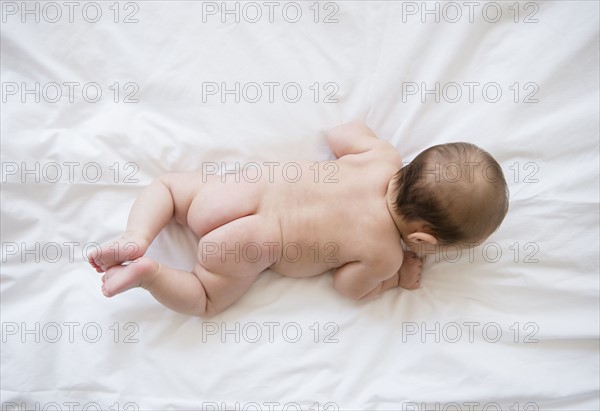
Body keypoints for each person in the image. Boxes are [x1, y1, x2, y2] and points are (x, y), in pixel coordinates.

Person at [88, 121, 509, 317]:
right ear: (424, 239)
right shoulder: (385, 257)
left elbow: (340, 133)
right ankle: (149, 273)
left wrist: (372, 139)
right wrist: (398, 278)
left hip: (236, 196)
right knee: (204, 297)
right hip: (252, 245)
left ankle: (137, 237)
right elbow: (350, 288)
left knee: (168, 188)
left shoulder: (381, 157)